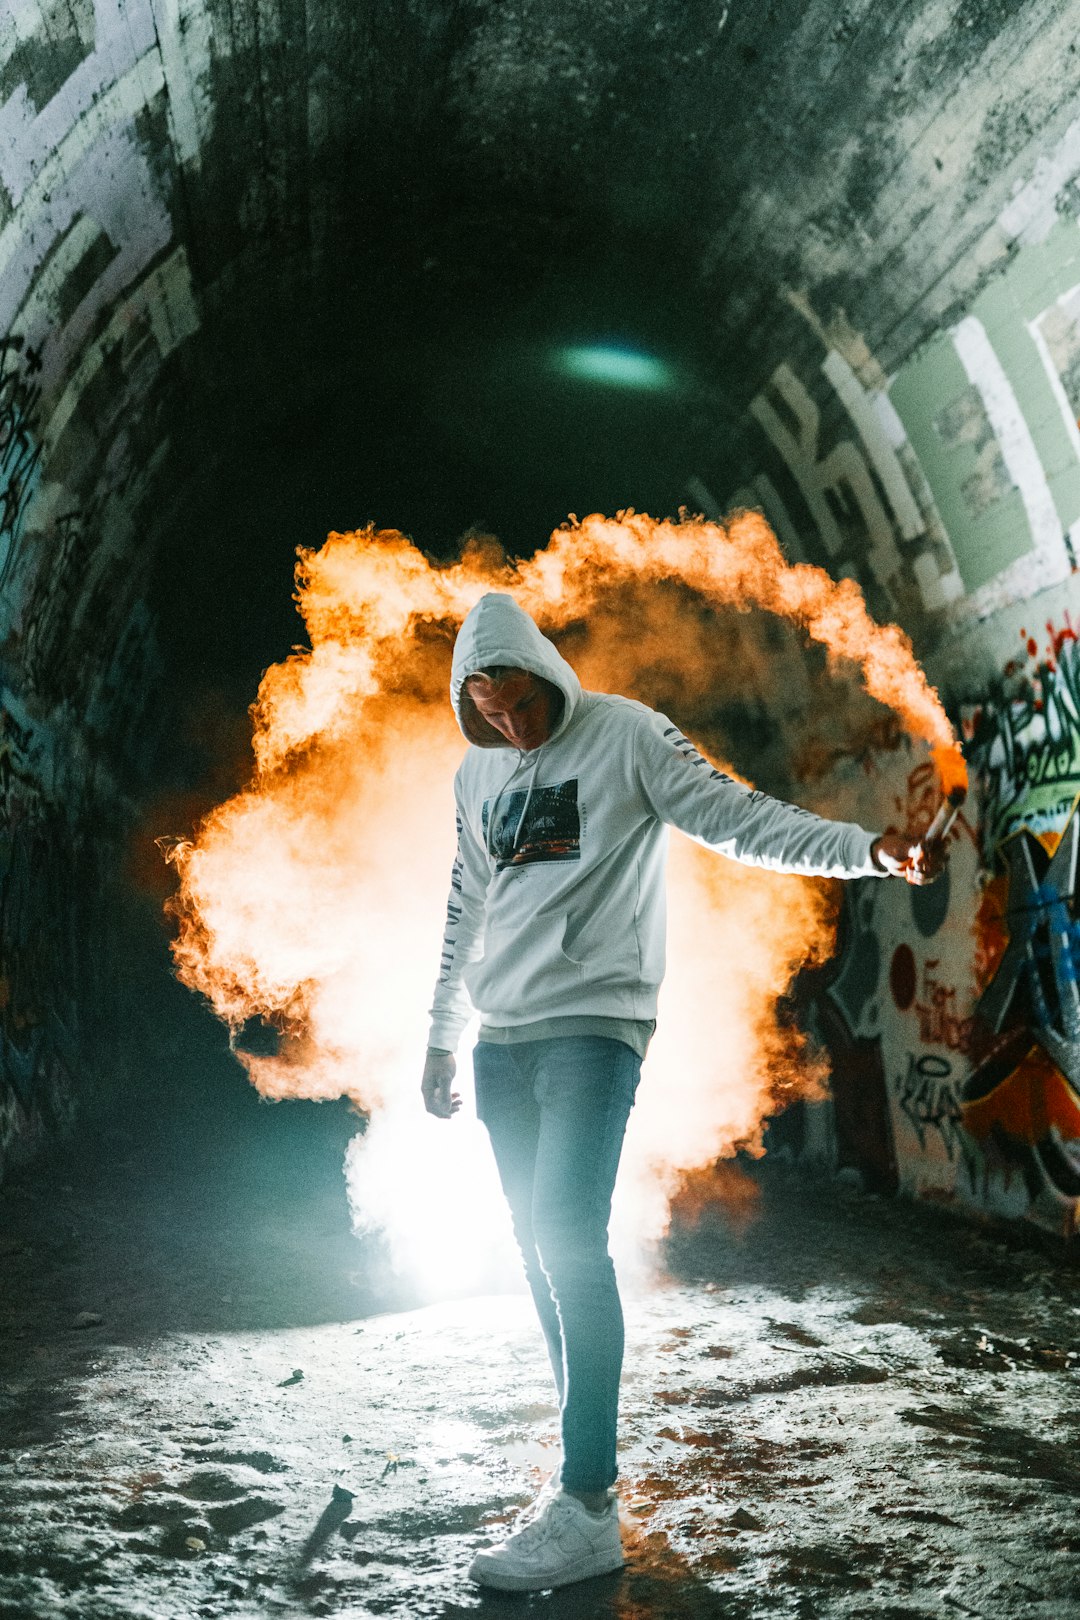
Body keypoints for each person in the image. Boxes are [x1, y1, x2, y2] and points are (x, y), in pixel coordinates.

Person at [421, 592, 943, 1593]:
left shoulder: (627, 737)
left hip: (593, 1031)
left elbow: (739, 821)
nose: (511, 725)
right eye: (488, 711)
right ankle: (578, 1464)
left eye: (522, 703)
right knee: (533, 1248)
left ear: (546, 671)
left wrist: (866, 850)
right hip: (503, 1043)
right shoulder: (475, 773)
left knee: (568, 1237)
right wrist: (440, 1039)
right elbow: (462, 908)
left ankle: (587, 1505)